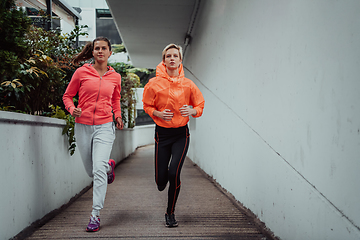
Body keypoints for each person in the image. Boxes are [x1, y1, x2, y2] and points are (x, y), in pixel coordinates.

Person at [62, 37, 124, 232]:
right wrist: (72, 110)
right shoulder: (81, 72)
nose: (100, 51)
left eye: (104, 48)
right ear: (93, 51)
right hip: (83, 125)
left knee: (97, 170)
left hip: (105, 126)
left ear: (109, 52)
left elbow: (115, 99)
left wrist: (118, 116)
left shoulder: (115, 77)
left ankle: (95, 215)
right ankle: (108, 167)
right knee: (92, 171)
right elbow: (67, 96)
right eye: (97, 48)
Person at [142, 43, 205, 227]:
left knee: (174, 173)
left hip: (180, 135)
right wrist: (158, 114)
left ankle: (170, 213)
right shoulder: (154, 83)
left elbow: (200, 105)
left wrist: (192, 111)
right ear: (164, 60)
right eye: (168, 56)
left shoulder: (188, 84)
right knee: (161, 180)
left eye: (175, 56)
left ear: (180, 60)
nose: (171, 58)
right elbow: (147, 106)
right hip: (162, 135)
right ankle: (161, 183)